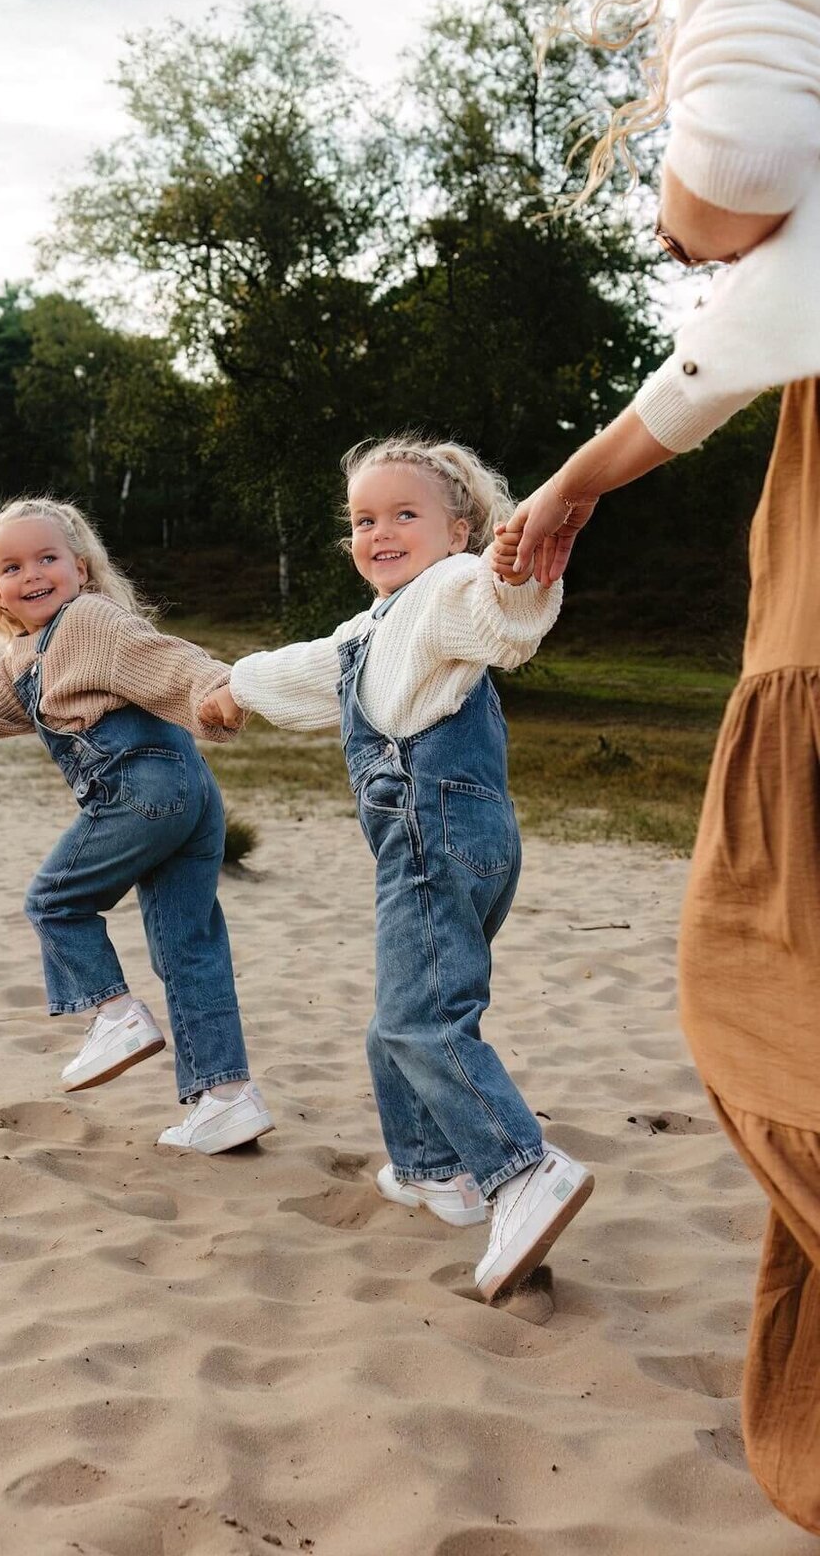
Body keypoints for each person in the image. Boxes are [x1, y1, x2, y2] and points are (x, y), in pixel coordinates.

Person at [503, 0, 820, 1533]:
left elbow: (746, 175)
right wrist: (581, 478)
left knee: (762, 964)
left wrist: (684, 212)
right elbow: (779, 310)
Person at [201, 437, 594, 1302]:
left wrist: (517, 575)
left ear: (458, 531)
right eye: (363, 520)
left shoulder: (448, 590)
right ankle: (431, 1169)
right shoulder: (372, 629)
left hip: (432, 836)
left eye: (403, 514)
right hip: (461, 841)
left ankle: (521, 1169)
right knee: (399, 1017)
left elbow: (502, 614)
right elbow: (310, 666)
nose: (378, 532)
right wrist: (238, 688)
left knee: (424, 1021)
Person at [0, 495, 274, 1156]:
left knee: (54, 901)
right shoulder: (22, 662)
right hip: (189, 799)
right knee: (187, 948)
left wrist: (215, 687)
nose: (32, 574)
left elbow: (164, 656)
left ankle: (115, 1014)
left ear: (81, 568)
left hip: (144, 790)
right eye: (12, 567)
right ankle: (226, 1098)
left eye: (47, 558)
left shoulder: (90, 620)